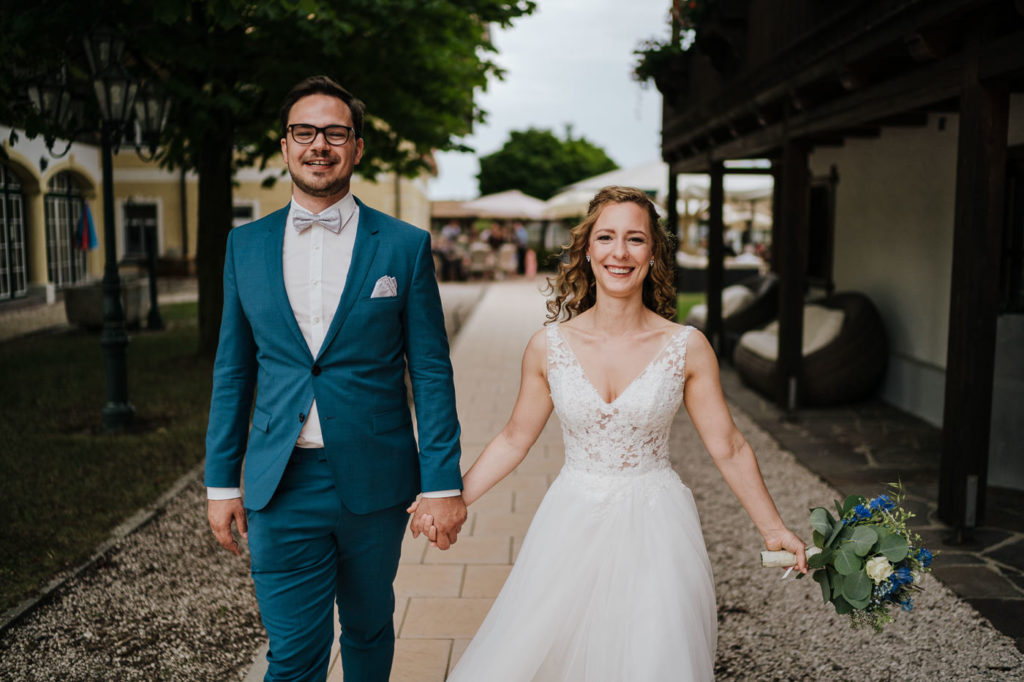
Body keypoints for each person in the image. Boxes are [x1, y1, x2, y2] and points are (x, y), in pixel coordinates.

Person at [410, 186, 807, 681]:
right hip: (571, 520)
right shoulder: (547, 346)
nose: (620, 252)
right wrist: (449, 497)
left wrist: (773, 529)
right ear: (588, 250)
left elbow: (728, 445)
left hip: (658, 526)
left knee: (651, 656)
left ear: (654, 253)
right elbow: (515, 437)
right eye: (606, 237)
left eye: (635, 239)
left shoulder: (688, 347)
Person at [204, 75, 467, 682]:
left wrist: (442, 481)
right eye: (305, 132)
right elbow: (232, 369)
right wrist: (221, 483)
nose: (318, 145)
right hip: (281, 482)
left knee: (369, 630)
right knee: (294, 655)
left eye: (334, 132)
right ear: (285, 144)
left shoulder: (403, 246)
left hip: (376, 481)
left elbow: (429, 371)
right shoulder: (244, 246)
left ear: (357, 147)